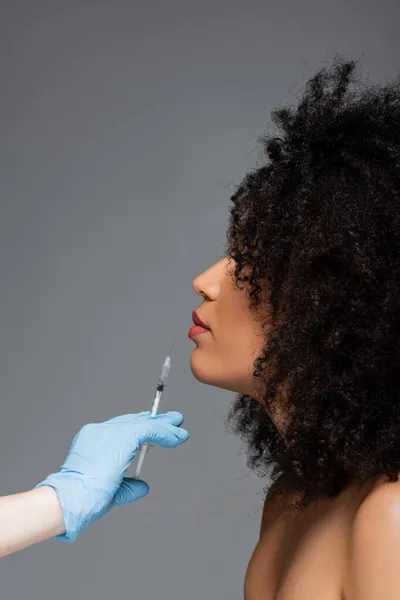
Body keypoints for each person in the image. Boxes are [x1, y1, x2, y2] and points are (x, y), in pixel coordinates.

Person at [188, 56, 400, 599]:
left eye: (250, 262)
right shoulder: (290, 499)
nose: (206, 282)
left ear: (333, 302)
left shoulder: (390, 516)